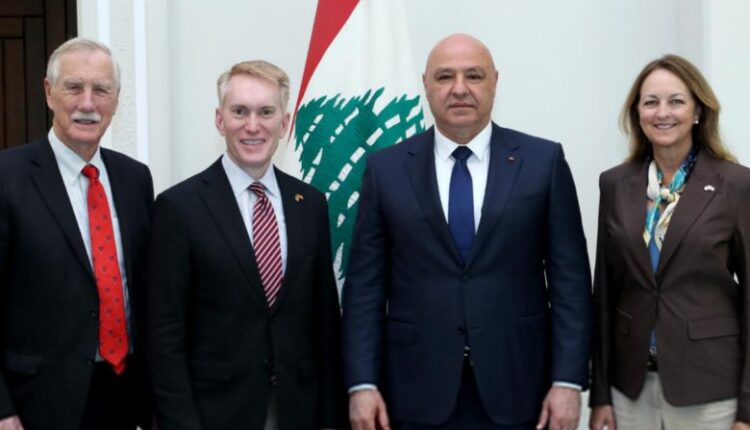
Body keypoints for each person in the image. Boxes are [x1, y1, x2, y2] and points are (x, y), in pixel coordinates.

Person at [342, 33, 592, 430]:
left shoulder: (542, 162)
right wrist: (362, 383)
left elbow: (571, 282)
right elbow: (364, 288)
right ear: (426, 85)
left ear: (495, 81)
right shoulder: (385, 169)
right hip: (413, 388)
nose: (459, 89)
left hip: (521, 386)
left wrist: (568, 381)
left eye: (473, 75)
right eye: (445, 77)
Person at [148, 60, 345, 430]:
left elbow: (325, 323)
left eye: (266, 112)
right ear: (220, 120)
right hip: (213, 414)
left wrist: (332, 418)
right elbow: (164, 334)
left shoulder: (311, 204)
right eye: (240, 111)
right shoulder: (179, 207)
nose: (252, 125)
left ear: (284, 123)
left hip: (298, 409)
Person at [589, 54, 750, 430]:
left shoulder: (736, 185)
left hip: (709, 388)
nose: (663, 113)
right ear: (638, 113)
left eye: (676, 101)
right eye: (651, 102)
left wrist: (748, 409)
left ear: (697, 111)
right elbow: (605, 294)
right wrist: (600, 394)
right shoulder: (614, 184)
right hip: (631, 389)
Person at [0, 38, 154, 430]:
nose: (88, 103)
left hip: (124, 393)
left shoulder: (135, 179)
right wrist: (2, 409)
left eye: (101, 89)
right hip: (36, 402)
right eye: (74, 87)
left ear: (116, 100)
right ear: (49, 93)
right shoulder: (7, 177)